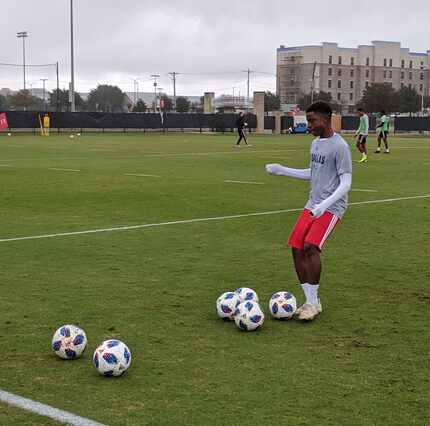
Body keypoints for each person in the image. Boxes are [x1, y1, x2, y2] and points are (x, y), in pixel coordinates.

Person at [265, 101, 352, 321]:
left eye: (312, 121)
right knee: (296, 247)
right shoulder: (315, 144)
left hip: (331, 207)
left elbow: (346, 182)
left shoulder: (340, 146)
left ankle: (312, 303)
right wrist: (282, 170)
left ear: (326, 119)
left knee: (310, 247)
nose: (309, 125)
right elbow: (312, 173)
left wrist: (325, 205)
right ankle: (311, 301)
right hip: (312, 204)